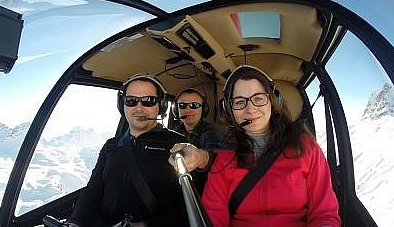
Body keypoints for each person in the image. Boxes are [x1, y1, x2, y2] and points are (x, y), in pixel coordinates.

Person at [200, 65, 341, 227]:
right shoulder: (222, 161)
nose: (250, 109)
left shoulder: (306, 148)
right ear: (229, 110)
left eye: (258, 98)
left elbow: (324, 213)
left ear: (273, 101)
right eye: (239, 101)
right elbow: (212, 220)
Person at [66, 74, 189, 227]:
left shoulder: (178, 144)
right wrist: (75, 221)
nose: (139, 107)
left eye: (148, 101)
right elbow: (93, 190)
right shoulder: (111, 145)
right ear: (122, 105)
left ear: (161, 106)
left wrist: (143, 226)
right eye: (131, 101)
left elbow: (188, 206)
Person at [170, 88, 223, 192]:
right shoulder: (175, 131)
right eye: (182, 106)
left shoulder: (211, 132)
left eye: (194, 105)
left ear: (203, 109)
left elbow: (215, 158)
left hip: (202, 189)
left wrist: (200, 158)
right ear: (176, 110)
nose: (188, 110)